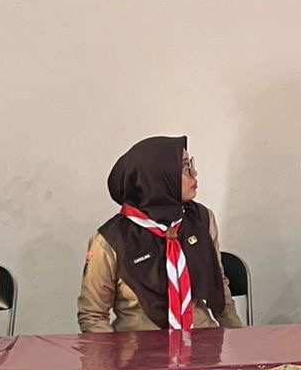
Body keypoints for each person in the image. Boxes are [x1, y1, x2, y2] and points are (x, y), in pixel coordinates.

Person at [78, 135, 241, 332]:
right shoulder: (111, 240)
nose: (194, 173)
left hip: (202, 341)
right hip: (140, 348)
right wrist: (113, 353)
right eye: (184, 166)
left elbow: (218, 282)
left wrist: (236, 337)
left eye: (190, 163)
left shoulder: (201, 219)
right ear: (157, 177)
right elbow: (93, 315)